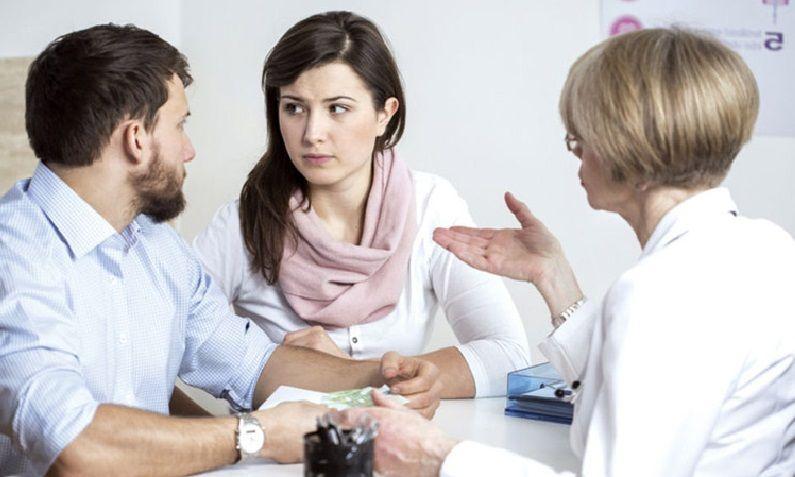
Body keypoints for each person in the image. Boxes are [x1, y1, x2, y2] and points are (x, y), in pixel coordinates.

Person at [341, 28, 795, 476]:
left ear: (629, 150)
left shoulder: (657, 293)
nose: (576, 155)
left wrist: (439, 457)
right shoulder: (769, 247)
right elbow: (639, 395)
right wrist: (552, 277)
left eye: (581, 138)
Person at [0, 24, 441, 476]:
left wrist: (381, 375)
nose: (189, 150)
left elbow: (253, 365)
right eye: (179, 126)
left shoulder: (156, 246)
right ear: (136, 139)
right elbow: (74, 446)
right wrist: (257, 434)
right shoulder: (14, 256)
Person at [193, 10, 531, 399]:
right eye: (294, 107)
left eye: (337, 108)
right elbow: (173, 338)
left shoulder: (431, 206)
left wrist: (345, 373)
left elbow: (508, 356)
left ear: (384, 114)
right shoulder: (242, 225)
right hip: (277, 438)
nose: (312, 133)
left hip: (397, 434)